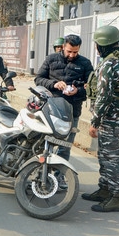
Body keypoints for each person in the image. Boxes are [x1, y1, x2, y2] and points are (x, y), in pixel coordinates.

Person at [82, 25, 119, 213]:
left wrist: (95, 122)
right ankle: (105, 189)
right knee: (105, 155)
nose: (96, 47)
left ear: (102, 45)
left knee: (113, 158)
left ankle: (115, 197)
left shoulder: (109, 64)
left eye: (97, 44)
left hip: (110, 118)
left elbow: (104, 96)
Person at [34, 34, 93, 188]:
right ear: (63, 47)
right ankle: (39, 174)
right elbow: (38, 79)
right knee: (44, 143)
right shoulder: (51, 59)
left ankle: (59, 177)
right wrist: (53, 84)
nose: (72, 55)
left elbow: (92, 88)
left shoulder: (85, 63)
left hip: (72, 111)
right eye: (69, 51)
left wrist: (78, 90)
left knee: (64, 147)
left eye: (75, 52)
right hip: (50, 109)